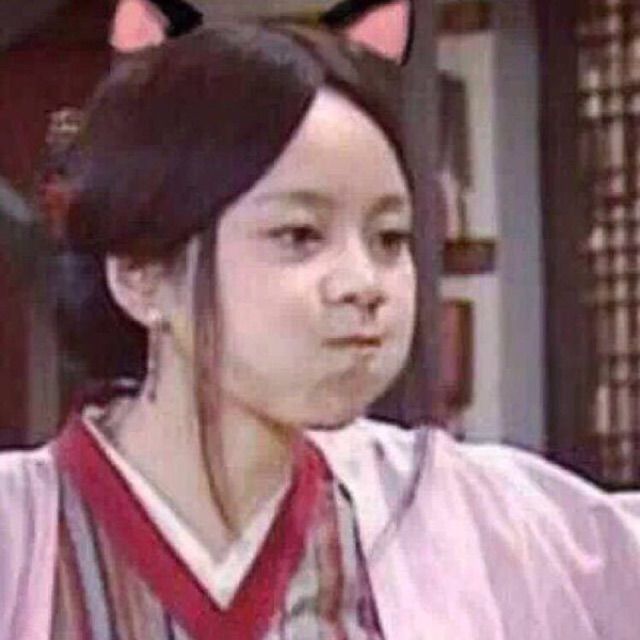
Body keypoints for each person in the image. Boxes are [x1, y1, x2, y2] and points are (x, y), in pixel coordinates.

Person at [1, 22, 640, 640]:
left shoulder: (460, 517)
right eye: (300, 235)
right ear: (142, 275)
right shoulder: (20, 533)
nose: (364, 283)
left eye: (389, 237)